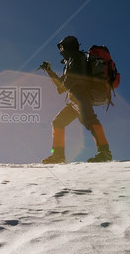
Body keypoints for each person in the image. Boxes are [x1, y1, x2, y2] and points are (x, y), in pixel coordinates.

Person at [40, 35, 112, 163]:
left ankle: (105, 153)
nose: (61, 50)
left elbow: (65, 84)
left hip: (80, 96)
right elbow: (62, 86)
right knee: (58, 122)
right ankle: (58, 156)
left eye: (62, 47)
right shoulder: (70, 61)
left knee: (90, 120)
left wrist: (63, 83)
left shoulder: (76, 57)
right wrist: (48, 71)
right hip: (74, 98)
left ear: (68, 46)